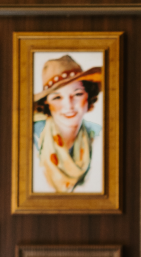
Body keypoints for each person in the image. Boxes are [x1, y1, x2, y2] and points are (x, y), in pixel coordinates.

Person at [32, 55, 102, 194]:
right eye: (57, 97)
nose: (69, 105)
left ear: (88, 96)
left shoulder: (100, 136)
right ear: (46, 103)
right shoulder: (30, 137)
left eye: (77, 94)